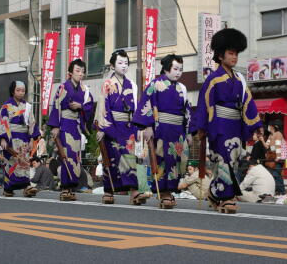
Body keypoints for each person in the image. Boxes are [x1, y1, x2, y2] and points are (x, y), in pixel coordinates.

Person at [192, 28, 262, 213]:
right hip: (219, 124)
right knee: (223, 160)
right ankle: (226, 197)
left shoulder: (239, 79)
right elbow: (204, 103)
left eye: (236, 53)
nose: (235, 57)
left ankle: (215, 193)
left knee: (234, 160)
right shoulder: (213, 80)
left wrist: (256, 125)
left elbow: (248, 101)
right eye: (231, 53)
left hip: (236, 125)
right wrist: (201, 127)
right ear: (220, 55)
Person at [132, 54, 192, 209]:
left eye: (181, 69)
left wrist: (189, 131)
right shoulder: (155, 84)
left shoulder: (182, 88)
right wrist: (148, 126)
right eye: (175, 68)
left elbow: (187, 112)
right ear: (166, 68)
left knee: (177, 161)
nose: (178, 72)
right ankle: (164, 193)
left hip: (178, 129)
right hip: (162, 128)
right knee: (162, 158)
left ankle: (170, 191)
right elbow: (146, 104)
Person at [95, 50, 148, 205]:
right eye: (120, 63)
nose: (124, 66)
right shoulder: (107, 83)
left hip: (128, 125)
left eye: (126, 63)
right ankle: (109, 190)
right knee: (110, 158)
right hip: (112, 124)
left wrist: (138, 127)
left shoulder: (132, 84)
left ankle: (134, 192)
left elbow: (137, 107)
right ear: (112, 65)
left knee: (130, 158)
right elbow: (103, 106)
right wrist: (103, 128)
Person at [48, 59, 94, 201]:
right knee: (65, 156)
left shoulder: (85, 90)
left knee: (76, 158)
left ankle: (72, 186)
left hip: (76, 125)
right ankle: (65, 188)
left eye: (82, 71)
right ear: (70, 73)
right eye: (77, 71)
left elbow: (90, 106)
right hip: (65, 124)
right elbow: (56, 106)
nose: (80, 74)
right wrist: (55, 126)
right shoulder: (63, 87)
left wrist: (81, 106)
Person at [0, 80, 41, 197]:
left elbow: (31, 123)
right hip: (10, 137)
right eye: (18, 90)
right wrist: (3, 138)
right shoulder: (6, 106)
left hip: (24, 137)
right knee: (12, 163)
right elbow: (2, 121)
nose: (21, 92)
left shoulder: (27, 107)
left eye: (23, 90)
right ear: (13, 91)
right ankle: (8, 188)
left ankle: (26, 186)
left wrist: (32, 139)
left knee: (24, 162)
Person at [263, 120, 287, 194]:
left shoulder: (278, 134)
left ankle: (282, 191)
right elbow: (266, 146)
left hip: (280, 157)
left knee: (276, 173)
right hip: (275, 157)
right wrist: (262, 140)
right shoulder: (271, 136)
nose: (269, 127)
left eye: (270, 126)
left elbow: (278, 145)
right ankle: (280, 190)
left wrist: (278, 156)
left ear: (274, 127)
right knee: (275, 173)